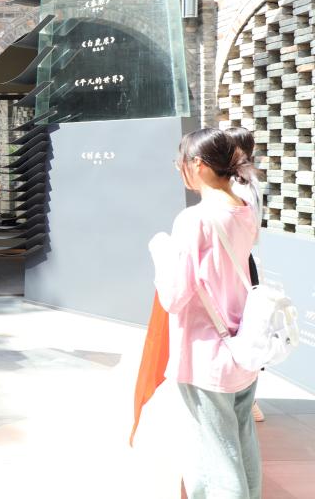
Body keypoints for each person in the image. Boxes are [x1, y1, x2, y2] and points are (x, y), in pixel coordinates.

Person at [148, 128, 260, 498]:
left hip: (205, 352)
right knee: (241, 442)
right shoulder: (243, 209)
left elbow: (173, 296)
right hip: (242, 345)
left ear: (197, 164)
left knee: (214, 459)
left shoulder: (194, 219)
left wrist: (160, 251)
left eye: (179, 163)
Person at [224, 125, 266, 423]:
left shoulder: (236, 185)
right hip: (244, 258)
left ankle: (248, 400)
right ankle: (249, 399)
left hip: (235, 261)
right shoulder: (250, 180)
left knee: (239, 328)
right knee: (247, 328)